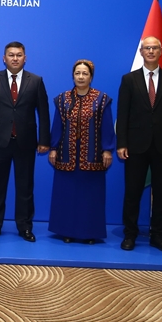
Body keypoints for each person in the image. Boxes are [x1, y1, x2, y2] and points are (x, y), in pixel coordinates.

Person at [0, 42, 50, 242]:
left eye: (19, 55)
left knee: (25, 187)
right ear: (4, 58)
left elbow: (43, 112)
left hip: (26, 142)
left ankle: (25, 227)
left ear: (25, 58)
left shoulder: (36, 81)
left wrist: (44, 140)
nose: (15, 58)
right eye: (11, 55)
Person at [116, 36, 162, 252]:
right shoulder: (129, 79)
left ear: (160, 51)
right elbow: (123, 114)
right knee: (132, 192)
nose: (151, 51)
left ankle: (158, 235)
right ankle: (130, 235)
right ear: (141, 52)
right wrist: (121, 143)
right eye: (147, 48)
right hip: (135, 146)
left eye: (155, 48)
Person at [48, 59, 115, 243]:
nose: (81, 77)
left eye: (85, 73)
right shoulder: (62, 99)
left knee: (90, 196)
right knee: (67, 194)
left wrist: (107, 150)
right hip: (66, 154)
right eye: (77, 73)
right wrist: (53, 148)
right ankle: (66, 231)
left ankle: (89, 233)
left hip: (92, 155)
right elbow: (57, 126)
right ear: (73, 76)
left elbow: (107, 126)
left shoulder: (101, 99)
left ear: (91, 77)